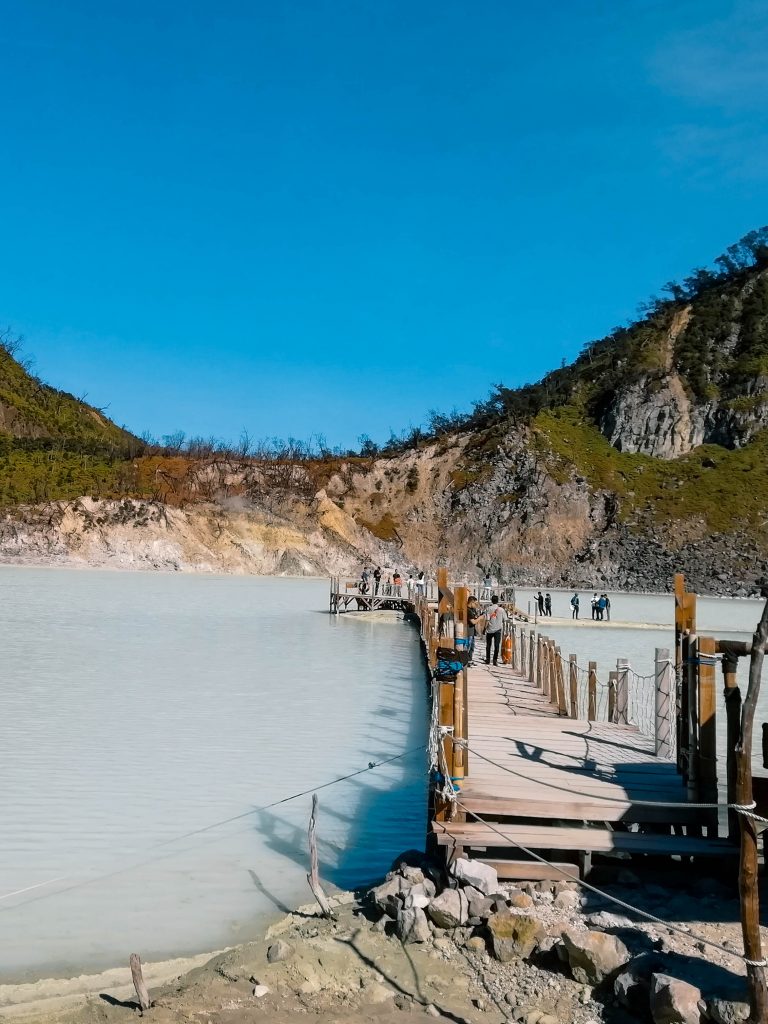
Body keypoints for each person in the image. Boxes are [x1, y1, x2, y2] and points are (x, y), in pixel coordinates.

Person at [484, 595, 507, 666]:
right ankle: (495, 660)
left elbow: (487, 620)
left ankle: (488, 659)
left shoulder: (488, 609)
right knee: (497, 645)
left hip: (489, 629)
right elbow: (505, 619)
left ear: (491, 600)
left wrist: (484, 628)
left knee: (488, 645)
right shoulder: (501, 610)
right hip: (498, 630)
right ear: (498, 601)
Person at [467, 596, 482, 665]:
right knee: (468, 647)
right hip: (468, 631)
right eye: (475, 604)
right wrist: (480, 618)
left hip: (472, 631)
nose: (476, 605)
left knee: (472, 647)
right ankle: (466, 661)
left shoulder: (473, 610)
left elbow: (475, 618)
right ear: (471, 602)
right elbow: (473, 622)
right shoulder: (468, 610)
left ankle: (469, 660)